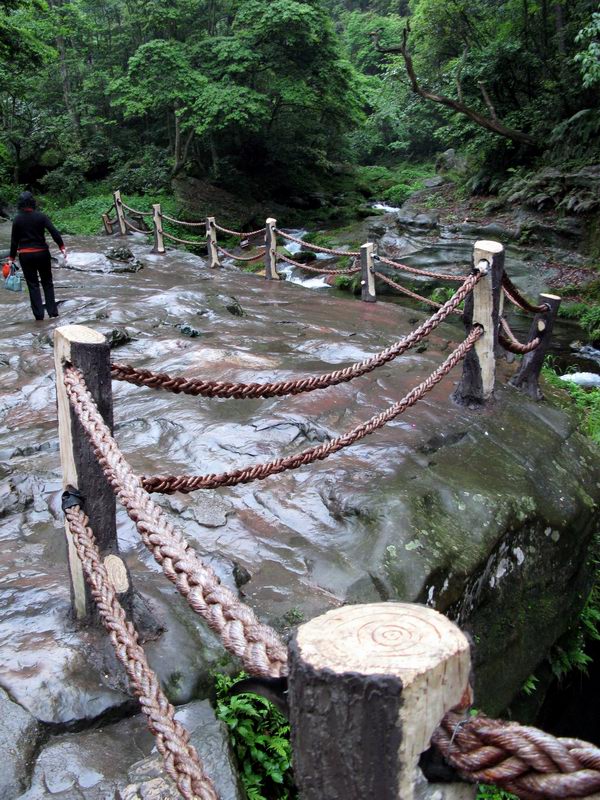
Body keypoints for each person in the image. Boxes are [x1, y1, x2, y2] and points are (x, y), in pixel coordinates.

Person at [8, 191, 67, 320]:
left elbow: (14, 240)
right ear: (33, 202)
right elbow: (54, 232)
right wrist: (61, 246)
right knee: (47, 283)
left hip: (26, 256)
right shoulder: (41, 217)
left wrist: (11, 258)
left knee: (33, 285)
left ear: (20, 204)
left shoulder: (17, 219)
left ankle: (39, 316)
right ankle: (53, 313)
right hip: (42, 254)